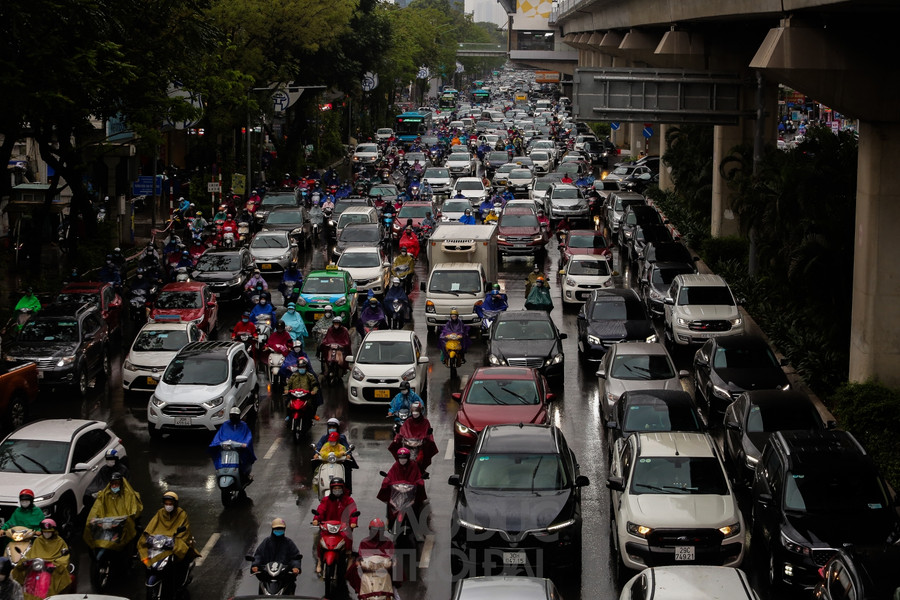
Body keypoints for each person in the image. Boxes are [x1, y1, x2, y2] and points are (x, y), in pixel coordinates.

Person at [138, 492, 200, 583]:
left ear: (175, 504)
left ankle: (180, 581)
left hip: (175, 542)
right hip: (160, 544)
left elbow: (184, 533)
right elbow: (150, 528)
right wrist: (148, 536)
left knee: (180, 556)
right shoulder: (160, 513)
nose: (168, 506)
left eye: (170, 504)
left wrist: (175, 540)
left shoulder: (181, 514)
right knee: (145, 555)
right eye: (166, 504)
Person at [83, 472, 143, 552]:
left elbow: (134, 510)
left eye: (116, 484)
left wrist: (126, 518)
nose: (114, 486)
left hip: (122, 526)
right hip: (106, 525)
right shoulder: (104, 495)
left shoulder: (129, 495)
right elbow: (96, 509)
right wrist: (91, 521)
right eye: (112, 484)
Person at [12, 519, 71, 597]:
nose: (46, 534)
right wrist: (24, 561)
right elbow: (31, 554)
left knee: (57, 582)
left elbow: (64, 558)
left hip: (52, 570)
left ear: (53, 531)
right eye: (45, 532)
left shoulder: (60, 542)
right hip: (36, 568)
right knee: (19, 571)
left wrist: (56, 565)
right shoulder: (38, 540)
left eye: (49, 532)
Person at [311, 479, 359, 574]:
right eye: (335, 488)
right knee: (320, 540)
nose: (337, 490)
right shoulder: (326, 500)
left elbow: (353, 512)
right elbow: (320, 510)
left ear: (343, 488)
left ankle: (349, 557)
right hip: (328, 527)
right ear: (331, 489)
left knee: (348, 538)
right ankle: (320, 561)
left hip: (343, 527)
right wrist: (316, 519)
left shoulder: (349, 500)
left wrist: (353, 522)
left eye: (339, 488)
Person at [376, 448, 426, 524]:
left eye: (404, 458)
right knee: (389, 504)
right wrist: (386, 481)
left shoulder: (413, 466)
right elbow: (390, 476)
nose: (402, 460)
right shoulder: (395, 466)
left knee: (418, 504)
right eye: (400, 458)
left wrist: (420, 482)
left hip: (410, 494)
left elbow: (418, 477)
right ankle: (389, 520)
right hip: (397, 494)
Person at [250, 518, 302, 592]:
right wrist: (255, 565)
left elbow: (295, 557)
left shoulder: (288, 543)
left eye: (281, 529)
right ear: (272, 529)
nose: (279, 530)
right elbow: (258, 555)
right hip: (267, 576)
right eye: (277, 529)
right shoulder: (266, 542)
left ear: (284, 529)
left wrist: (296, 567)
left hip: (284, 576)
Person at [209, 407, 257, 482]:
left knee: (244, 459)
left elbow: (248, 437)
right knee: (219, 457)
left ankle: (244, 475)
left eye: (235, 415)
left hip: (239, 450)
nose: (233, 417)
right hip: (226, 450)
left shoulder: (243, 426)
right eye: (232, 415)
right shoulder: (225, 425)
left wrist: (245, 444)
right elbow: (219, 436)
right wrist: (216, 443)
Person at [348, 519, 394, 595]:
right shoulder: (364, 542)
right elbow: (361, 554)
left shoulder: (388, 542)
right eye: (374, 530)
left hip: (384, 567)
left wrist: (393, 562)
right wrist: (358, 562)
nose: (377, 533)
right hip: (368, 567)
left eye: (380, 530)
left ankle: (393, 589)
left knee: (396, 569)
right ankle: (359, 589)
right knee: (353, 569)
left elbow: (391, 554)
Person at [388, 401, 438, 473]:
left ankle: (421, 470)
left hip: (419, 447)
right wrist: (397, 437)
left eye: (416, 412)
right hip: (407, 445)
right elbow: (402, 431)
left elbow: (428, 435)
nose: (415, 415)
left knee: (421, 459)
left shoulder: (425, 422)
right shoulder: (408, 421)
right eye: (413, 412)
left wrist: (428, 437)